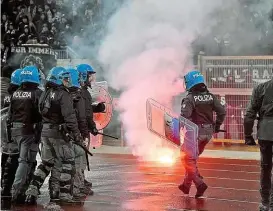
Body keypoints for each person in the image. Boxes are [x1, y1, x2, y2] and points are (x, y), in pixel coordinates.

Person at [25, 66, 82, 205]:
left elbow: (41, 111)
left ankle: (31, 192)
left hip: (45, 132)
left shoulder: (45, 92)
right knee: (68, 162)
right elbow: (70, 117)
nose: (67, 81)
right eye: (64, 78)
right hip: (59, 133)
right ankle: (64, 196)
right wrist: (77, 135)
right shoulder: (64, 94)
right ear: (58, 78)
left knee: (45, 164)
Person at [178, 70, 226, 198]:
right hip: (208, 134)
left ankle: (199, 184)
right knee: (192, 160)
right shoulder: (210, 96)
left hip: (194, 133)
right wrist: (216, 126)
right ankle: (185, 186)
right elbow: (222, 111)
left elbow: (184, 117)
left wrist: (177, 132)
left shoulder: (190, 98)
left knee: (186, 159)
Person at [9, 66, 42, 204]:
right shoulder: (37, 93)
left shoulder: (16, 92)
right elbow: (41, 113)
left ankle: (21, 190)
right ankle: (16, 192)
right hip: (28, 131)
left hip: (15, 130)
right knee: (24, 161)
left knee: (22, 161)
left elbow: (11, 113)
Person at [244, 76, 273, 211]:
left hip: (265, 132)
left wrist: (248, 135)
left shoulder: (260, 88)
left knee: (265, 168)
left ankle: (265, 202)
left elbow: (250, 113)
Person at [76, 63, 102, 188]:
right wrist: (92, 127)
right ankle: (78, 183)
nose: (92, 79)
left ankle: (80, 179)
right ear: (83, 76)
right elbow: (85, 113)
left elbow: (85, 109)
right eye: (90, 76)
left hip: (79, 128)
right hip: (82, 129)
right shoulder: (83, 92)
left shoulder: (79, 91)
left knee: (79, 156)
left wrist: (95, 108)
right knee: (80, 157)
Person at [1, 69, 22, 209]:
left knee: (5, 155)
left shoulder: (5, 92)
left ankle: (4, 184)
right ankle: (9, 188)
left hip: (3, 129)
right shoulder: (19, 94)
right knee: (15, 158)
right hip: (14, 130)